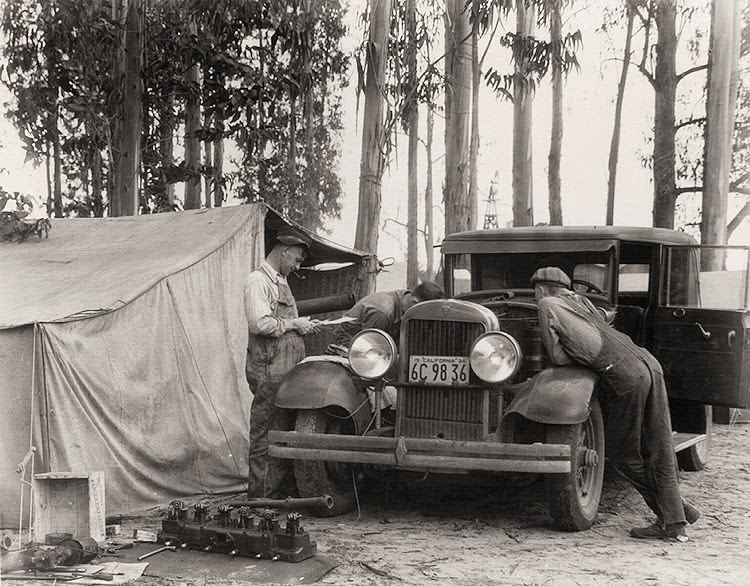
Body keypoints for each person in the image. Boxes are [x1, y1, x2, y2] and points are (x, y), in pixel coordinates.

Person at [531, 266, 700, 541]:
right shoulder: (581, 301)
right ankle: (676, 517)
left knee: (623, 456)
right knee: (658, 445)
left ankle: (673, 517)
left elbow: (558, 358)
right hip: (647, 363)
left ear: (539, 289)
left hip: (624, 374)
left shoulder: (547, 304)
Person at [244, 225, 320, 498]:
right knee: (265, 434)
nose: (297, 266)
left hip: (285, 371)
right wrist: (294, 324)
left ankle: (275, 494)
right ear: (284, 251)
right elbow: (259, 323)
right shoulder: (258, 281)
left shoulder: (280, 281)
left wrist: (301, 327)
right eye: (296, 259)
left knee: (282, 431)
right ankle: (260, 498)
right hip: (269, 369)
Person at [330, 281, 445, 349]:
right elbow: (367, 346)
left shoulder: (405, 297)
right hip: (347, 343)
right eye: (424, 312)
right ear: (415, 302)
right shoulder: (383, 313)